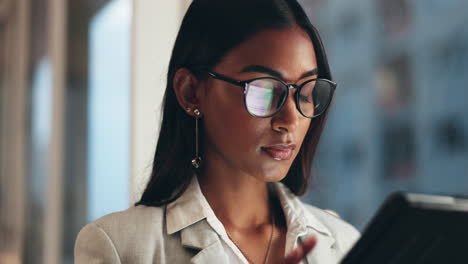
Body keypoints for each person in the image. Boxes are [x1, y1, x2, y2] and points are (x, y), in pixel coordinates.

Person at [74, 0, 360, 263]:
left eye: (306, 92)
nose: (290, 118)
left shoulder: (344, 244)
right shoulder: (118, 246)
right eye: (264, 90)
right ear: (191, 93)